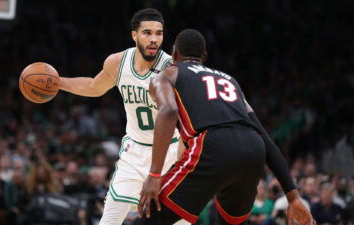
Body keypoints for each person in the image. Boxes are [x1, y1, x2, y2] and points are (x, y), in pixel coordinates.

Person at [135, 29, 315, 225]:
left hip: (213, 145)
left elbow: (168, 111)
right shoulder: (230, 81)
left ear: (174, 54)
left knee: (151, 216)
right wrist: (293, 197)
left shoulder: (168, 73)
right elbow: (264, 136)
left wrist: (154, 175)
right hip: (253, 149)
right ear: (204, 57)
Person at [59, 8, 188, 225]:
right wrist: (58, 83)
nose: (154, 39)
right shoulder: (117, 62)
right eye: (147, 33)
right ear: (134, 35)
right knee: (109, 220)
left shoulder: (173, 69)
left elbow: (186, 120)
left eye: (159, 33)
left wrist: (182, 160)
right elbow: (94, 87)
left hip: (170, 152)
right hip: (134, 152)